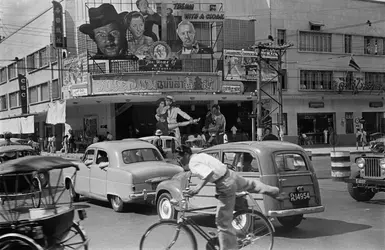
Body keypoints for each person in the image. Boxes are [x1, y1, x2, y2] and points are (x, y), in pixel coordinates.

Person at [177, 145, 286, 250]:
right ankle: (274, 191)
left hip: (225, 185)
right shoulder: (200, 156)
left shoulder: (193, 163)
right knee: (251, 184)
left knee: (222, 223)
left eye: (179, 157)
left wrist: (197, 189)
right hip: (230, 175)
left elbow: (208, 173)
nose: (179, 160)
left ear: (186, 154)